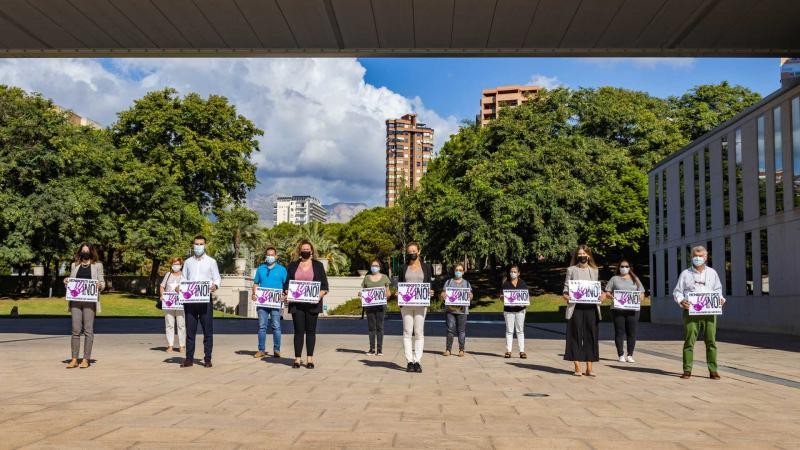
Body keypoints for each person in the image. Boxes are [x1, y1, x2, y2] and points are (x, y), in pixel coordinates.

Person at [673, 245, 726, 380]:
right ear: (691, 257)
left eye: (700, 256)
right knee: (689, 341)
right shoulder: (685, 274)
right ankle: (687, 370)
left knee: (711, 341)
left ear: (706, 257)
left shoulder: (712, 273)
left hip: (709, 312)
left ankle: (713, 370)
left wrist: (720, 299)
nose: (698, 258)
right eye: (695, 256)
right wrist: (681, 301)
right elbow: (677, 291)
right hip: (690, 312)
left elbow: (718, 290)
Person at [285, 240, 329, 369]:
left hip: (312, 305)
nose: (305, 251)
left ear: (311, 251)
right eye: (303, 249)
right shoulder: (292, 265)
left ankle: (310, 359)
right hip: (297, 304)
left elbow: (325, 286)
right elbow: (287, 284)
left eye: (307, 249)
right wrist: (288, 291)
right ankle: (297, 359)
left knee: (311, 332)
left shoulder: (318, 265)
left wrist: (318, 296)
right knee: (298, 332)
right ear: (300, 251)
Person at [180, 234, 221, 368]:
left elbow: (217, 278)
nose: (198, 246)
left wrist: (215, 285)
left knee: (207, 331)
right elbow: (183, 279)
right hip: (190, 301)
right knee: (190, 331)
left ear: (205, 245)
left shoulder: (211, 261)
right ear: (193, 245)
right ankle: (189, 359)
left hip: (205, 301)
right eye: (196, 244)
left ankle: (207, 358)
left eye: (201, 244)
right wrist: (179, 288)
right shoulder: (187, 262)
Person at [63, 242, 105, 369]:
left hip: (90, 302)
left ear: (91, 252)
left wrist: (100, 286)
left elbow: (102, 283)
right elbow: (71, 282)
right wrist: (66, 281)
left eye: (87, 251)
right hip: (76, 301)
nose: (85, 253)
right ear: (80, 252)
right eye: (83, 251)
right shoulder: (74, 265)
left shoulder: (97, 266)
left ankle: (86, 359)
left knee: (88, 330)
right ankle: (74, 359)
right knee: (75, 330)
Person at [562, 245, 602, 377]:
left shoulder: (594, 270)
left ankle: (589, 367)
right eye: (579, 254)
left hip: (591, 308)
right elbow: (566, 290)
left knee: (591, 336)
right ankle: (577, 366)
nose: (582, 256)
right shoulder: (571, 270)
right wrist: (567, 297)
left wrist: (600, 295)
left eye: (584, 253)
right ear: (576, 256)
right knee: (575, 335)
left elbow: (595, 289)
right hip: (576, 308)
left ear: (589, 255)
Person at [399, 242, 433, 373]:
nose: (412, 253)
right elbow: (401, 284)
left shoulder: (426, 267)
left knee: (419, 332)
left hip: (421, 304)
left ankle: (417, 360)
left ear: (419, 251)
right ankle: (409, 361)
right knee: (407, 332)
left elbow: (429, 283)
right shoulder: (403, 267)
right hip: (406, 305)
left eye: (414, 250)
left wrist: (430, 292)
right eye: (409, 251)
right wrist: (398, 293)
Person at [603, 259, 644, 363]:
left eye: (626, 266)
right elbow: (607, 292)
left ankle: (630, 355)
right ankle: (621, 354)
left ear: (630, 267)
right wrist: (611, 296)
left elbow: (642, 294)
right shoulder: (614, 279)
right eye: (622, 266)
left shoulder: (635, 279)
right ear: (619, 267)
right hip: (618, 309)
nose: (624, 268)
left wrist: (639, 297)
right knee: (619, 332)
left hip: (633, 310)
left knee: (632, 333)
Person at [251, 247, 288, 359]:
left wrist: (285, 296)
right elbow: (256, 283)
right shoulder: (260, 269)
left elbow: (286, 286)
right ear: (265, 256)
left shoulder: (282, 270)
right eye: (268, 255)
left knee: (276, 326)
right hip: (262, 304)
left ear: (276, 256)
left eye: (272, 255)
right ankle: (261, 350)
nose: (270, 257)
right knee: (262, 327)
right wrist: (254, 293)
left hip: (276, 304)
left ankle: (277, 350)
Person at [358, 258, 391, 356]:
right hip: (369, 306)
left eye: (376, 266)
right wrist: (360, 294)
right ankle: (372, 348)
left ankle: (379, 349)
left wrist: (387, 294)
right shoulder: (367, 278)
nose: (374, 267)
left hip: (381, 306)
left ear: (380, 267)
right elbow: (363, 290)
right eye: (373, 265)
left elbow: (388, 292)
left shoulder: (384, 277)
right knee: (371, 328)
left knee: (380, 327)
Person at [441, 263, 473, 357]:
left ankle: (461, 350)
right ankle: (448, 349)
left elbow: (470, 295)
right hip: (450, 310)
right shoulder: (448, 282)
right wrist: (443, 295)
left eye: (460, 270)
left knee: (461, 331)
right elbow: (443, 293)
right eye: (456, 270)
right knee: (450, 329)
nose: (458, 272)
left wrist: (470, 296)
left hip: (462, 311)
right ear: (454, 271)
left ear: (463, 272)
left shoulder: (467, 283)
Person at [160, 257, 186, 353]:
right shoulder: (168, 275)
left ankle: (181, 345)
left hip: (180, 303)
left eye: (178, 264)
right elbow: (162, 286)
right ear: (171, 265)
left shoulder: (184, 275)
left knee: (181, 324)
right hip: (169, 303)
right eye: (174, 264)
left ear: (181, 265)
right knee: (169, 324)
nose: (176, 266)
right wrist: (162, 295)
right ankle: (170, 345)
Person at [502, 265, 528, 359]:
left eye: (514, 271)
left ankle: (522, 351)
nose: (512, 273)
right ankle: (508, 351)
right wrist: (502, 298)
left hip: (520, 310)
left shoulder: (523, 283)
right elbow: (502, 297)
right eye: (511, 271)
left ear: (518, 273)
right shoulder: (506, 283)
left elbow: (526, 296)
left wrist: (524, 302)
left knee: (520, 330)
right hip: (509, 310)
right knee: (509, 330)